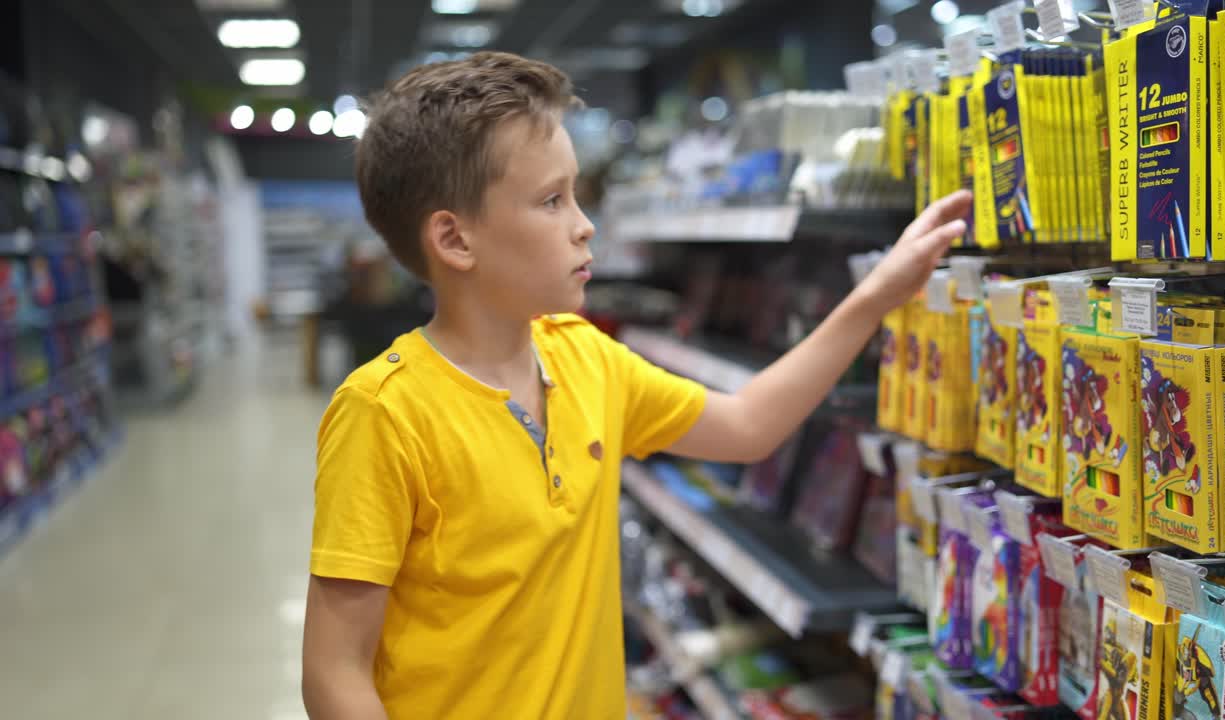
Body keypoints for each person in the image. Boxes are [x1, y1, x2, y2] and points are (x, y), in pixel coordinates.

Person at [301, 51, 972, 720]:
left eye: (576, 194)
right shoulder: (385, 414)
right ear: (455, 239)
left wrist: (877, 294)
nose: (584, 224)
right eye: (552, 200)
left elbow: (747, 427)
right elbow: (335, 673)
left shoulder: (586, 359)